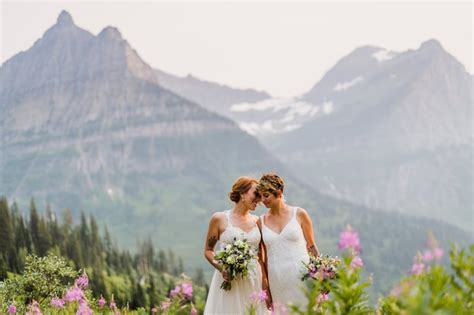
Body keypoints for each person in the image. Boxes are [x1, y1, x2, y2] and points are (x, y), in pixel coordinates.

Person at [204, 176, 269, 314]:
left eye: (260, 195)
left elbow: (261, 256)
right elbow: (208, 250)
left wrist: (264, 282)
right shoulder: (219, 219)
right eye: (255, 194)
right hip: (230, 280)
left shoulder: (258, 221)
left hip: (253, 279)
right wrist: (222, 267)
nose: (259, 199)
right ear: (242, 194)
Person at [258, 173, 320, 309]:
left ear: (278, 192)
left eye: (266, 195)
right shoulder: (260, 222)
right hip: (277, 280)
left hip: (301, 276)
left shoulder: (299, 214)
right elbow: (262, 259)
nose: (263, 200)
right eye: (261, 196)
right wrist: (266, 287)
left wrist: (321, 277)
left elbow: (312, 247)